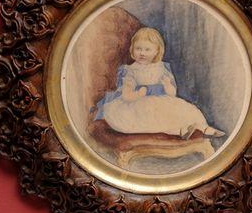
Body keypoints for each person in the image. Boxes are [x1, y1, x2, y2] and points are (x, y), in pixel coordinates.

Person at [94, 27, 225, 140]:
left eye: (147, 49)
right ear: (132, 50)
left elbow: (172, 94)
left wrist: (168, 85)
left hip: (162, 101)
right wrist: (138, 94)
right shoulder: (131, 70)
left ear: (157, 51)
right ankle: (181, 130)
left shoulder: (162, 68)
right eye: (138, 49)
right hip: (139, 104)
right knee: (157, 119)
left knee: (185, 110)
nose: (142, 53)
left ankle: (204, 127)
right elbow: (126, 96)